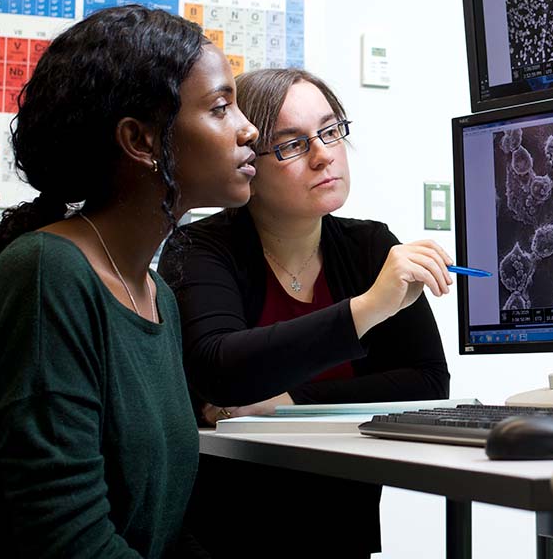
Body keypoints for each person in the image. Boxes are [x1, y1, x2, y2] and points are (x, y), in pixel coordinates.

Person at [0, 5, 259, 557]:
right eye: (221, 107)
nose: (248, 128)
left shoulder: (158, 299)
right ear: (141, 141)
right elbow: (67, 542)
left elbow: (165, 528)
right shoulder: (47, 277)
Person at [158, 67, 452, 557]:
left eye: (330, 130)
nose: (324, 155)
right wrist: (365, 310)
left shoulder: (370, 244)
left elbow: (426, 384)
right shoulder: (200, 246)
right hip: (227, 532)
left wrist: (285, 400)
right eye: (292, 144)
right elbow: (218, 368)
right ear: (249, 159)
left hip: (341, 524)